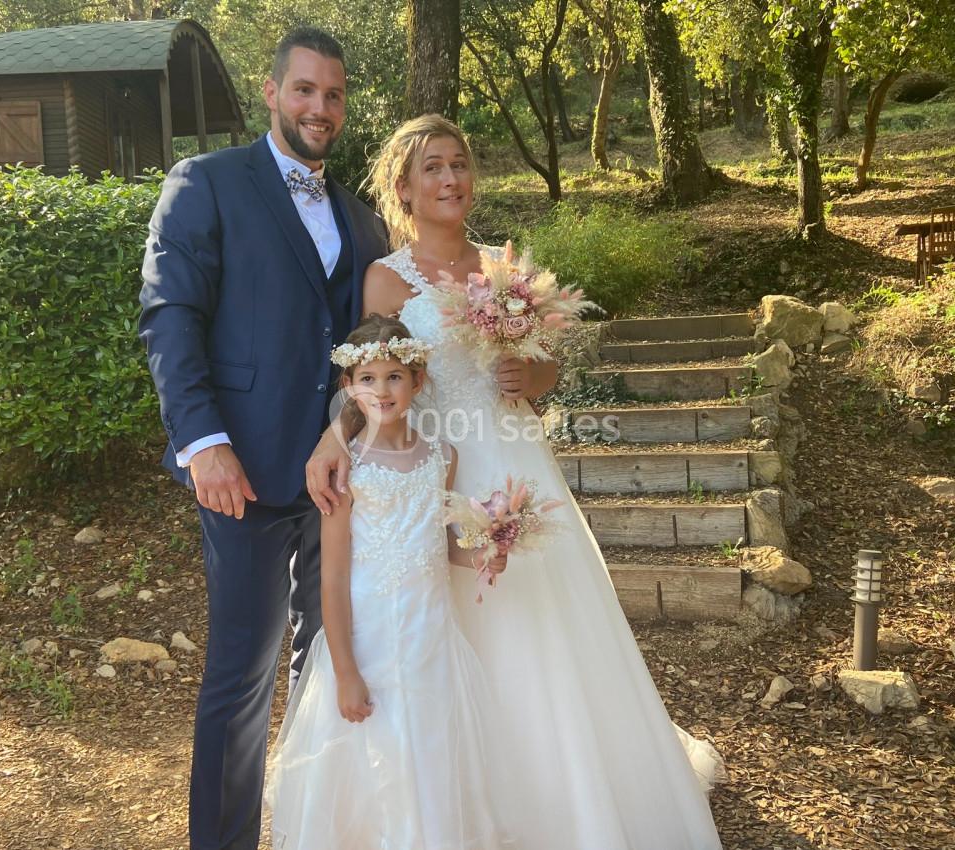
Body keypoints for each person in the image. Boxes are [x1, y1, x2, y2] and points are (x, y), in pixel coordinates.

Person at [306, 114, 724, 850]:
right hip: (431, 465)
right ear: (404, 187)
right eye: (432, 168)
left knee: (531, 615)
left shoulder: (505, 266)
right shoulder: (385, 277)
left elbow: (549, 370)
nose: (450, 180)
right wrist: (329, 439)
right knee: (440, 617)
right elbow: (369, 377)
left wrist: (530, 372)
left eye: (459, 164)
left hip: (512, 456)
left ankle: (563, 805)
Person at [137, 27, 388, 850]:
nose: (321, 107)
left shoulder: (361, 217)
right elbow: (171, 314)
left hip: (339, 473)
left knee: (329, 664)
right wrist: (202, 440)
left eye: (335, 95)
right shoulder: (205, 184)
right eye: (306, 89)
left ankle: (320, 830)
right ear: (273, 93)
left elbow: (376, 343)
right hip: (238, 470)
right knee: (240, 675)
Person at [266, 315, 514, 850]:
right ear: (349, 388)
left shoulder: (444, 456)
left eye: (395, 377)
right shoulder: (345, 466)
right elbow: (330, 577)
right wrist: (346, 671)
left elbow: (441, 542)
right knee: (368, 749)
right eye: (368, 379)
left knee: (428, 746)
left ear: (418, 381)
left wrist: (484, 555)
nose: (382, 390)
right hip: (366, 637)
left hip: (431, 635)